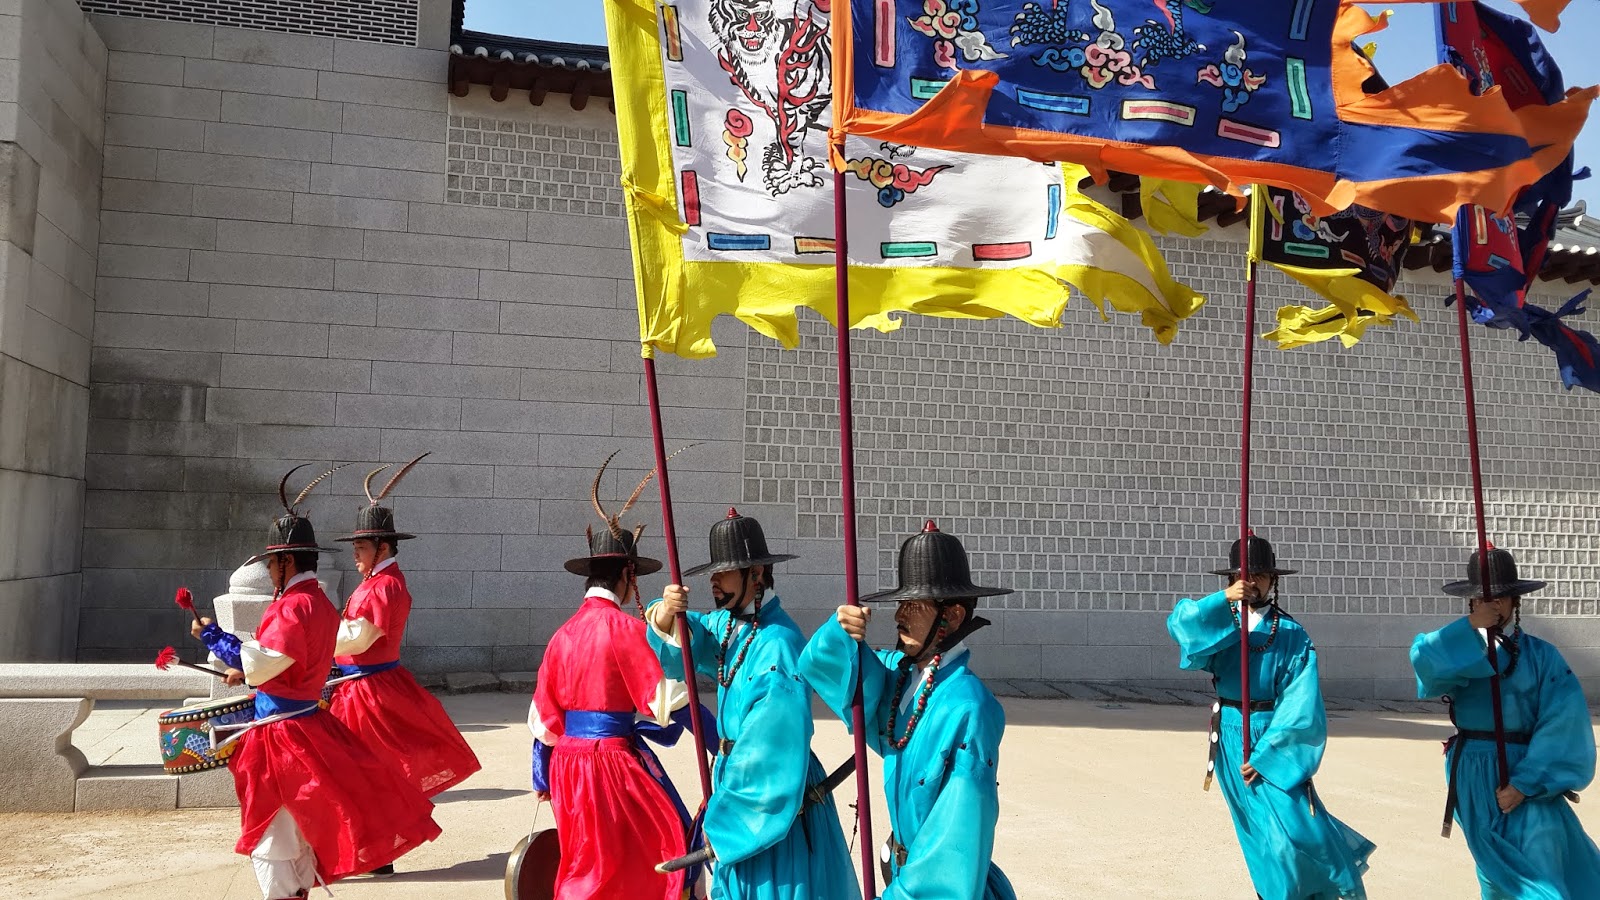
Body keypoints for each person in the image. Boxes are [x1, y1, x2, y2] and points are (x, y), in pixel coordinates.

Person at [192, 465, 439, 900]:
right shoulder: (320, 602)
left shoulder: (299, 606)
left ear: (287, 561)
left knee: (275, 829)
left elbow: (269, 658)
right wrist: (264, 668)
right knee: (310, 816)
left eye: (272, 563)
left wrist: (216, 638)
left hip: (288, 730)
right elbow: (291, 657)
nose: (270, 571)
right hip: (311, 716)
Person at [648, 508, 859, 899]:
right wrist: (665, 616)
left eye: (724, 571)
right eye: (713, 572)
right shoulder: (733, 625)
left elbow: (768, 750)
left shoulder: (778, 645)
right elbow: (694, 639)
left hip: (771, 799)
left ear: (756, 574)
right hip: (737, 782)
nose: (713, 580)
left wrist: (728, 822)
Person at [799, 520, 1015, 899]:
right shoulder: (902, 678)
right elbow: (825, 668)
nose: (899, 616)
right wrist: (840, 634)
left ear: (952, 616)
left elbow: (953, 845)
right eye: (901, 603)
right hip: (902, 873)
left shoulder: (970, 708)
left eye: (913, 605)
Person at [528, 454, 700, 899]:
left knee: (584, 858)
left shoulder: (561, 635)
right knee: (659, 843)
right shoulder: (625, 629)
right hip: (610, 763)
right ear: (627, 576)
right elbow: (663, 700)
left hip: (567, 765)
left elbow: (543, 722)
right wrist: (714, 735)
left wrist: (542, 777)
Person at [1166, 533, 1373, 900]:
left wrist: (1268, 756)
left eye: (1260, 575)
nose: (1252, 582)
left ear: (1272, 580)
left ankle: (1329, 887)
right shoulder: (1222, 622)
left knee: (1296, 831)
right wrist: (1224, 600)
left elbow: (1301, 706)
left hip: (1272, 736)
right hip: (1230, 734)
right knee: (1258, 836)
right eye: (1243, 576)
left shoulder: (1292, 634)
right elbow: (1181, 625)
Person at [1411, 545, 1600, 898]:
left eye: (1500, 598)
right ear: (1471, 603)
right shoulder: (1460, 649)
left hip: (1527, 767)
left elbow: (1563, 722)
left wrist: (1526, 782)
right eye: (1482, 599)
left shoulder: (1543, 656)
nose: (1492, 605)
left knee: (1540, 861)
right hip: (1472, 769)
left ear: (1515, 601)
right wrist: (1470, 627)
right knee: (1495, 869)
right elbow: (1424, 661)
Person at [327, 455, 481, 852]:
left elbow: (359, 638)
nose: (355, 555)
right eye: (355, 547)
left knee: (370, 773)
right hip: (365, 687)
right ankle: (377, 848)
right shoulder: (380, 582)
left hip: (369, 692)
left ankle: (380, 848)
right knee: (369, 773)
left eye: (361, 547)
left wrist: (312, 641)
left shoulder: (383, 587)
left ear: (382, 548)